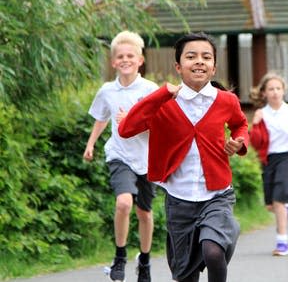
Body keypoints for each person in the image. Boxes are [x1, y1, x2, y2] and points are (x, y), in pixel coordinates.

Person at [118, 32, 249, 282]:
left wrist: (239, 142)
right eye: (191, 57)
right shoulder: (164, 103)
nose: (199, 61)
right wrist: (161, 94)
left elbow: (240, 125)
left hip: (217, 195)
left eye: (206, 57)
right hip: (179, 201)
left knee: (213, 250)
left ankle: (225, 229)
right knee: (185, 275)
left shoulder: (226, 101)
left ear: (213, 68)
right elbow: (126, 129)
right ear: (178, 66)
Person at [83, 30, 159, 282]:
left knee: (144, 214)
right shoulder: (107, 90)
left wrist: (132, 121)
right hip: (119, 154)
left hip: (147, 158)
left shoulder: (150, 90)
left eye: (131, 55)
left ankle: (145, 261)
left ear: (140, 60)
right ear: (114, 62)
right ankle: (119, 256)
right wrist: (91, 143)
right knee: (124, 203)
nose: (125, 60)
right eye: (120, 56)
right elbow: (102, 117)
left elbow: (160, 125)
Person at [249, 72, 288, 256]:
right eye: (270, 89)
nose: (275, 92)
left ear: (283, 91)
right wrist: (255, 123)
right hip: (268, 159)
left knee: (279, 199)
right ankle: (285, 209)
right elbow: (256, 142)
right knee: (270, 204)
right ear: (264, 93)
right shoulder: (261, 114)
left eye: (278, 88)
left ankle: (282, 243)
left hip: (287, 156)